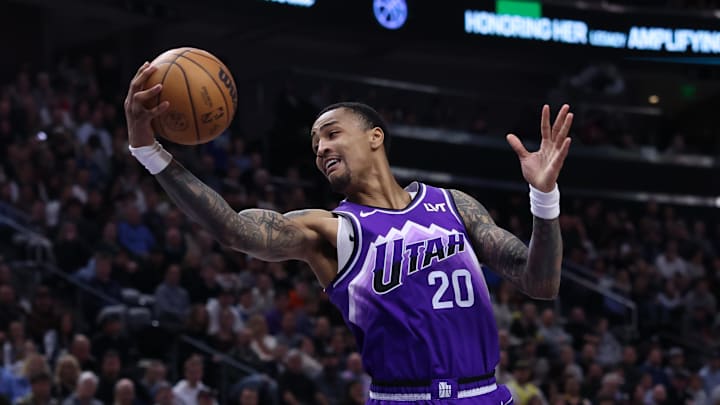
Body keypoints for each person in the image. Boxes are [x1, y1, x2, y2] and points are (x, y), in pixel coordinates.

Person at [124, 62, 572, 403]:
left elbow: (541, 283)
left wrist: (544, 198)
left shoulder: (455, 205)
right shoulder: (330, 229)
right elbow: (234, 230)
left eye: (332, 134)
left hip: (485, 394)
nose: (321, 148)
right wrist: (148, 149)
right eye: (315, 143)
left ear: (375, 137)